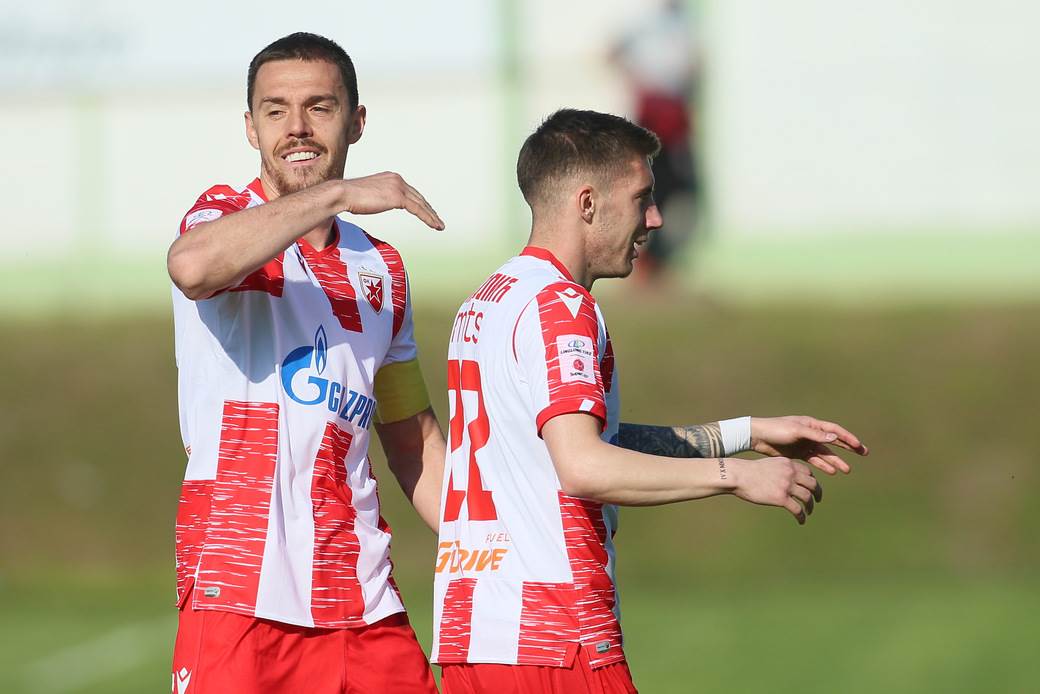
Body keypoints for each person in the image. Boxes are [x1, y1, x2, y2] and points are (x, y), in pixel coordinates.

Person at [431, 109, 869, 693]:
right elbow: (583, 466)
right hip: (557, 637)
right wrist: (737, 475)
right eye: (642, 198)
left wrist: (744, 432)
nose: (655, 218)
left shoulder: (488, 301)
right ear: (588, 203)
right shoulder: (562, 306)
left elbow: (572, 445)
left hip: (475, 635)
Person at [166, 33, 445, 694]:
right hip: (237, 589)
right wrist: (337, 194)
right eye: (276, 110)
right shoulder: (226, 216)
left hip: (361, 597)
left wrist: (495, 536)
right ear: (250, 127)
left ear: (356, 121)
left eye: (319, 107)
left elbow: (413, 440)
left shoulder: (383, 268)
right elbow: (192, 266)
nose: (297, 128)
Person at [610, 0, 700, 286]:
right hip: (655, 118)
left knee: (682, 193)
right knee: (650, 192)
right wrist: (638, 79)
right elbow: (612, 51)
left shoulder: (684, 23)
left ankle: (656, 261)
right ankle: (645, 262)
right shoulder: (645, 23)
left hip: (676, 120)